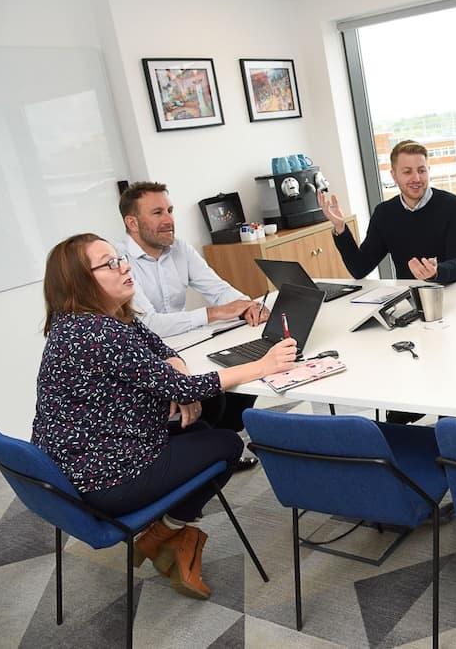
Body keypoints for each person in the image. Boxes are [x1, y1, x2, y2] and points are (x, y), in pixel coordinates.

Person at [31, 233, 297, 599]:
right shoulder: (97, 332)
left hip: (83, 464)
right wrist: (261, 366)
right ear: (80, 279)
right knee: (225, 443)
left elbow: (162, 349)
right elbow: (186, 389)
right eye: (110, 264)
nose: (125, 267)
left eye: (120, 258)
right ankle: (164, 535)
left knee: (205, 421)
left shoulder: (87, 320)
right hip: (107, 479)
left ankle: (171, 532)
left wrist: (175, 379)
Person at [118, 181, 267, 469]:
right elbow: (150, 325)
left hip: (185, 345)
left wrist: (247, 304)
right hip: (150, 358)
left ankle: (216, 449)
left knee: (244, 361)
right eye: (158, 212)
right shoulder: (119, 263)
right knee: (217, 393)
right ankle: (201, 454)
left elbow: (219, 289)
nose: (169, 220)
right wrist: (213, 313)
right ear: (132, 223)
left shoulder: (179, 250)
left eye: (170, 210)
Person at [318, 139, 456, 285]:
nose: (416, 178)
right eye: (407, 172)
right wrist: (341, 228)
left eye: (421, 170)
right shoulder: (384, 213)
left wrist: (435, 272)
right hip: (409, 298)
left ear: (428, 171)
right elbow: (359, 269)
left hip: (451, 292)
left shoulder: (455, 206)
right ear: (394, 175)